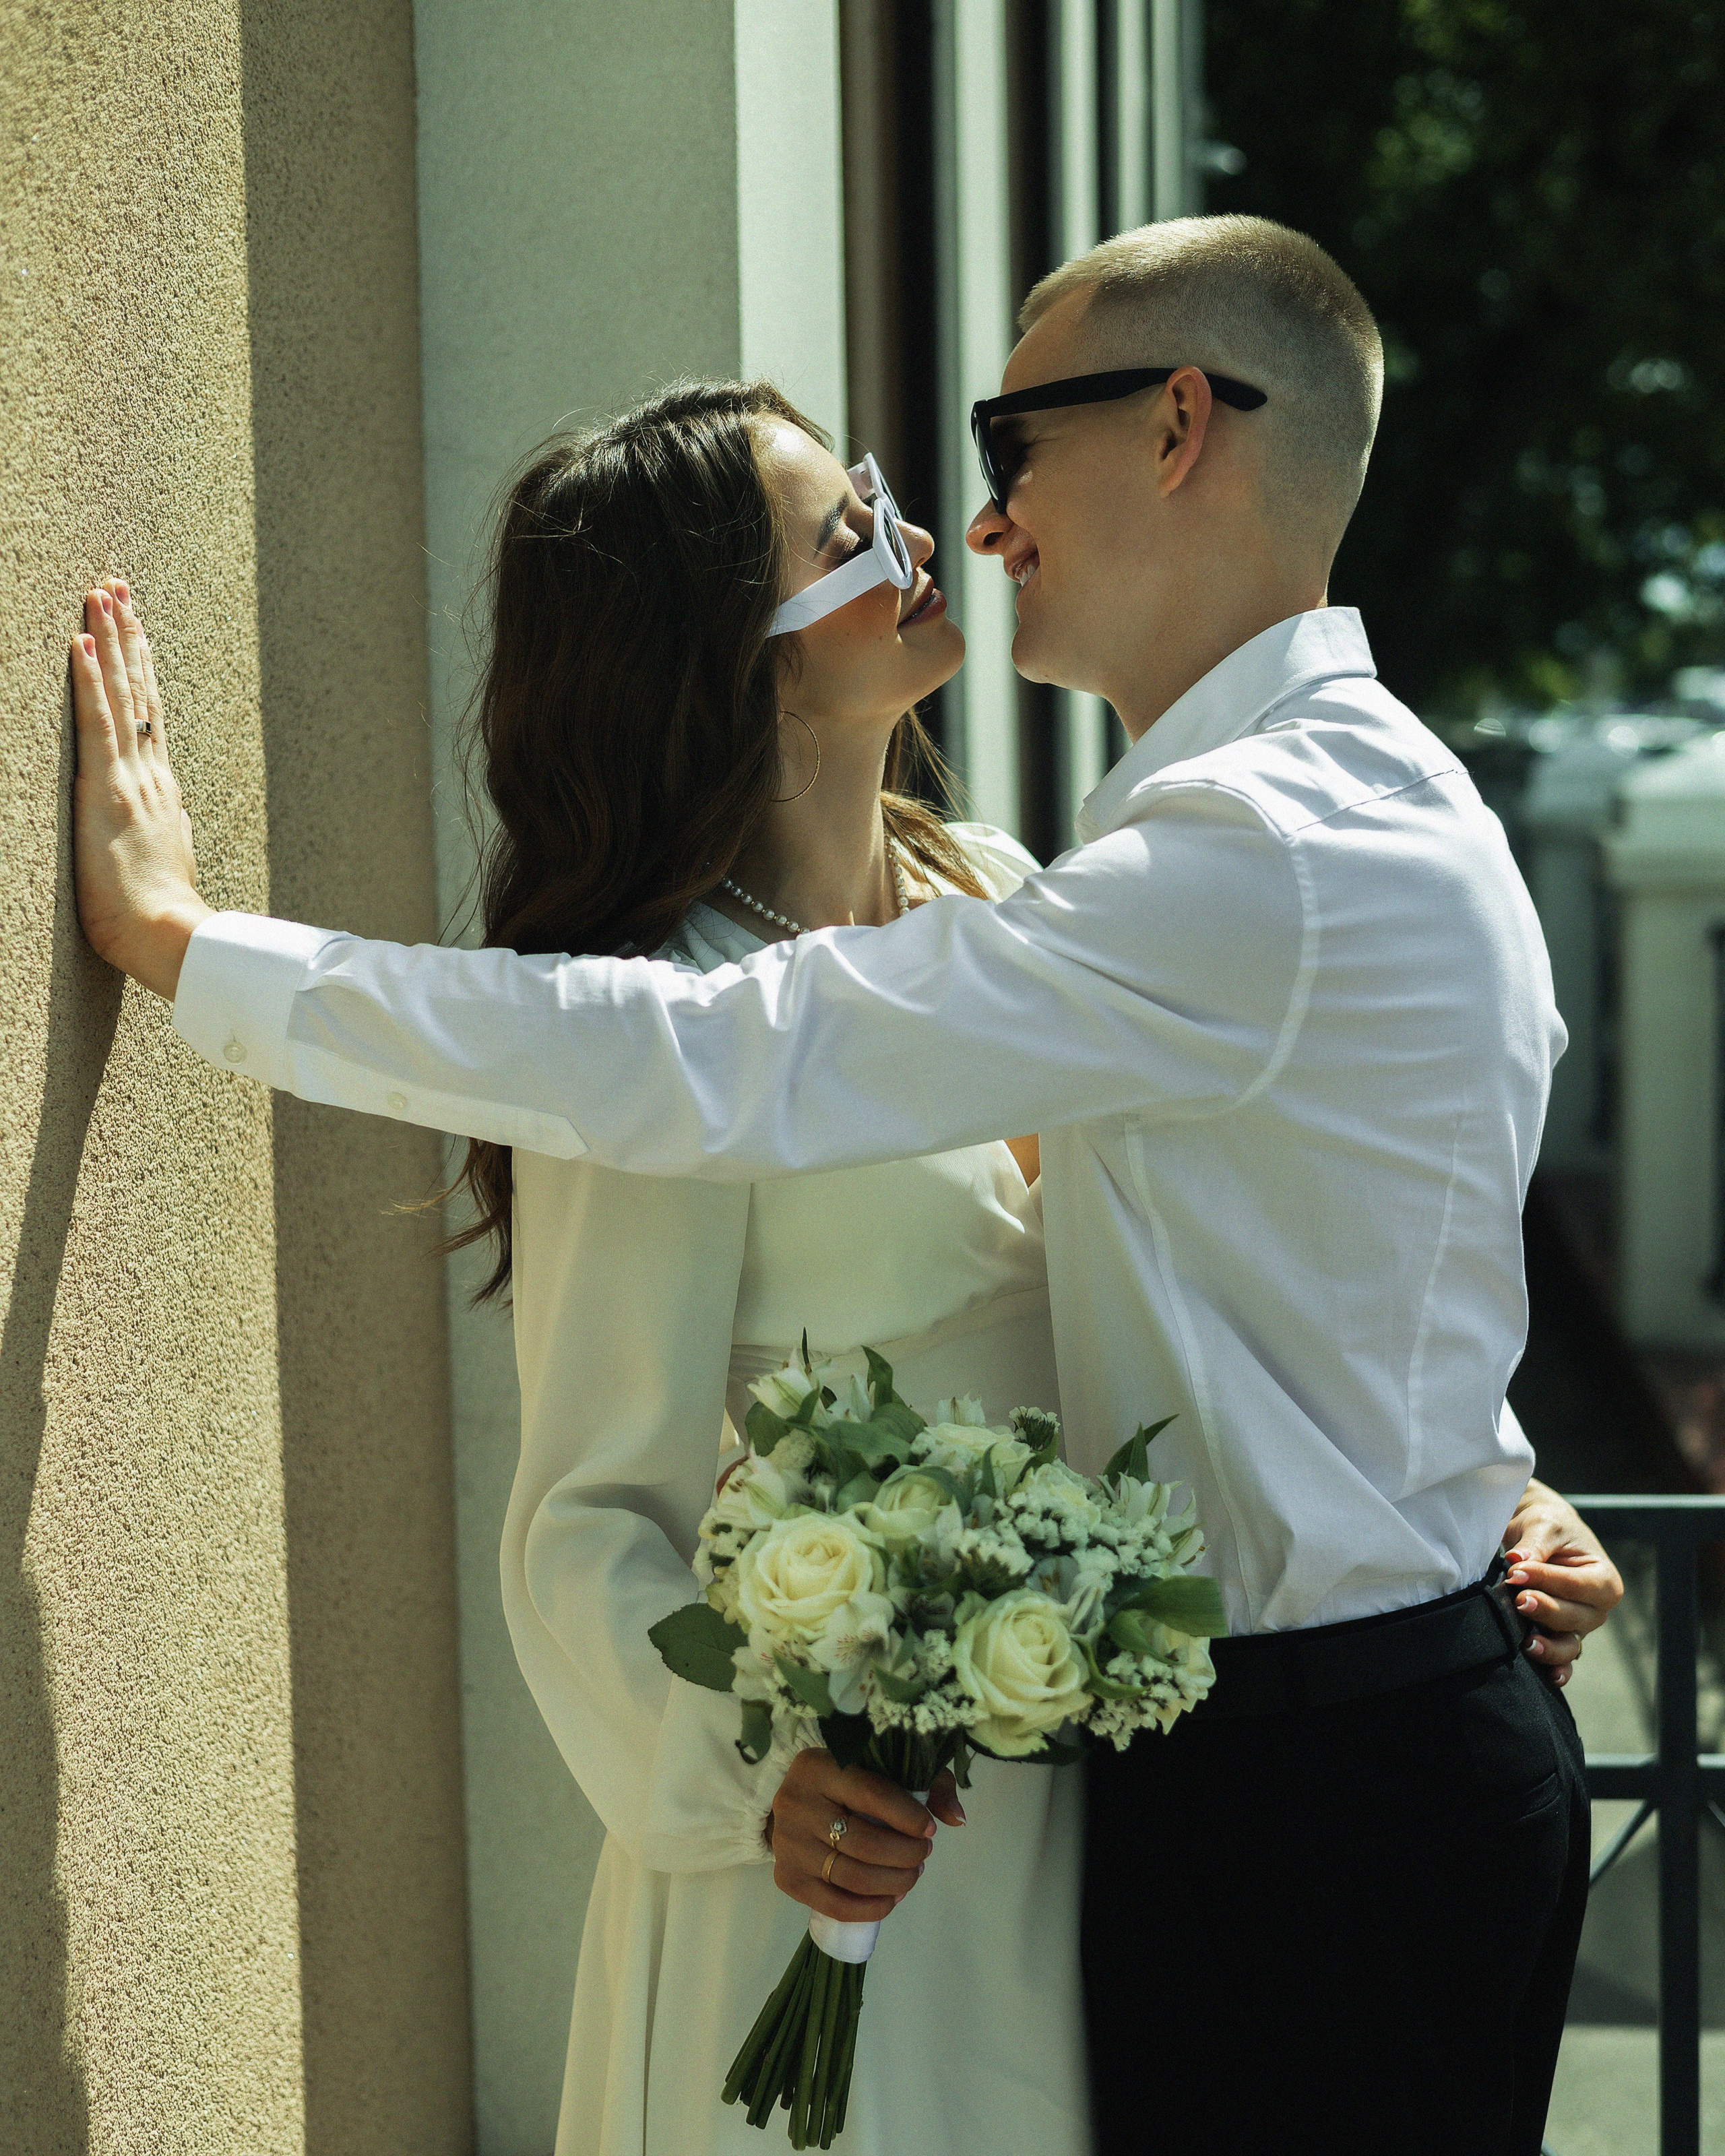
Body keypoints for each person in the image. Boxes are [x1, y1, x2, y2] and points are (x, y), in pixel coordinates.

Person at [71, 218, 1622, 2156]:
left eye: (984, 456)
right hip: (911, 1858)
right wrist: (760, 1764)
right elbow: (595, 1484)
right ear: (714, 645)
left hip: (1218, 1801)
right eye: (858, 521)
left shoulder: (1130, 873)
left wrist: (1464, 1499)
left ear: (1174, 430)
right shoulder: (1163, 868)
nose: (956, 532)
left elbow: (1285, 1223)